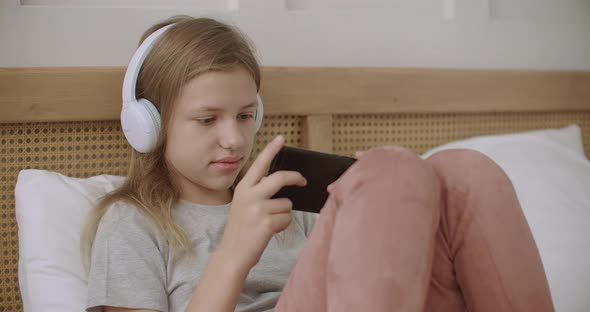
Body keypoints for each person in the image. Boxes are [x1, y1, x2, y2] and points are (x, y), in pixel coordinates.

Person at [81, 15, 555, 312]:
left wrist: (383, 201)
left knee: (464, 173)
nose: (234, 138)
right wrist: (234, 251)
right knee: (396, 172)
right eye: (207, 119)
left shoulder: (292, 199)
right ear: (148, 125)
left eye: (246, 116)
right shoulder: (131, 225)